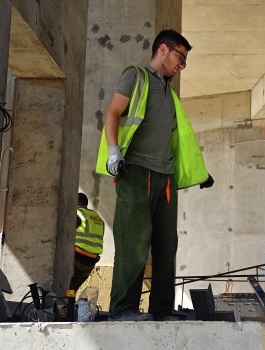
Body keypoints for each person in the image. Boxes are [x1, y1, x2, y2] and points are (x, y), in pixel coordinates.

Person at [95, 29, 214, 321]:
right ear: (163, 49)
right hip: (136, 172)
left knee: (166, 247)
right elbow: (113, 113)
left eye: (185, 60)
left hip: (165, 179)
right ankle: (123, 309)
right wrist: (114, 152)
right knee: (134, 244)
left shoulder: (169, 94)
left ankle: (161, 311)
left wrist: (199, 174)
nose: (182, 65)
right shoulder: (135, 77)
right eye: (180, 57)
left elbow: (178, 140)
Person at [70, 193, 105, 292]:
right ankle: (67, 306)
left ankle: (62, 306)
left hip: (77, 256)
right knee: (72, 290)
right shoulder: (98, 217)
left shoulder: (78, 214)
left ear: (77, 202)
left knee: (65, 288)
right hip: (91, 261)